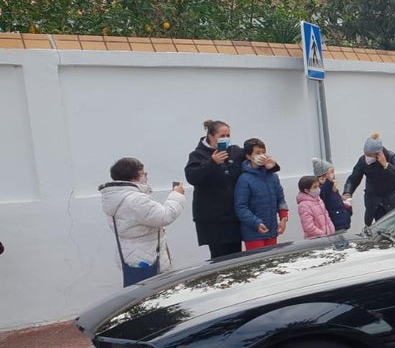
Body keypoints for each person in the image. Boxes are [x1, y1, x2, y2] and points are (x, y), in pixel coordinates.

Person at [184, 120, 279, 259]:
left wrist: (272, 166)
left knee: (237, 258)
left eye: (228, 135)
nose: (226, 139)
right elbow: (192, 177)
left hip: (234, 217)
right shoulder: (198, 155)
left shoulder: (235, 152)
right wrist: (212, 163)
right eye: (222, 136)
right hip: (213, 221)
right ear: (210, 136)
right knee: (220, 259)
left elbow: (253, 161)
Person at [99, 157, 186, 286]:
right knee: (154, 295)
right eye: (143, 174)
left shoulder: (114, 197)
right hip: (147, 257)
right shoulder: (135, 199)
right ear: (133, 177)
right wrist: (177, 195)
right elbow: (165, 216)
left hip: (130, 255)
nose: (146, 177)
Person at [234, 138, 287, 250]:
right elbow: (241, 207)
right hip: (253, 233)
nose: (262, 155)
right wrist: (256, 223)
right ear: (249, 156)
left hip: (272, 230)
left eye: (263, 152)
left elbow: (280, 199)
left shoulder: (273, 176)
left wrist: (283, 218)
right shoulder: (244, 179)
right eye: (258, 153)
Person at [343, 133, 395, 227]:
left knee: (394, 225)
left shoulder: (392, 157)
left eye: (369, 155)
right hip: (374, 201)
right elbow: (353, 179)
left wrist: (386, 165)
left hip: (392, 199)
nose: (367, 157)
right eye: (365, 154)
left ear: (378, 154)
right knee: (377, 226)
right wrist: (347, 193)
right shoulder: (362, 161)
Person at [312, 158, 352, 232]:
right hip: (335, 223)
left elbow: (336, 201)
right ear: (322, 175)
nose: (333, 174)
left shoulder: (331, 186)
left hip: (341, 221)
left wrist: (346, 207)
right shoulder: (320, 188)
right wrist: (329, 182)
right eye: (331, 172)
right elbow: (323, 194)